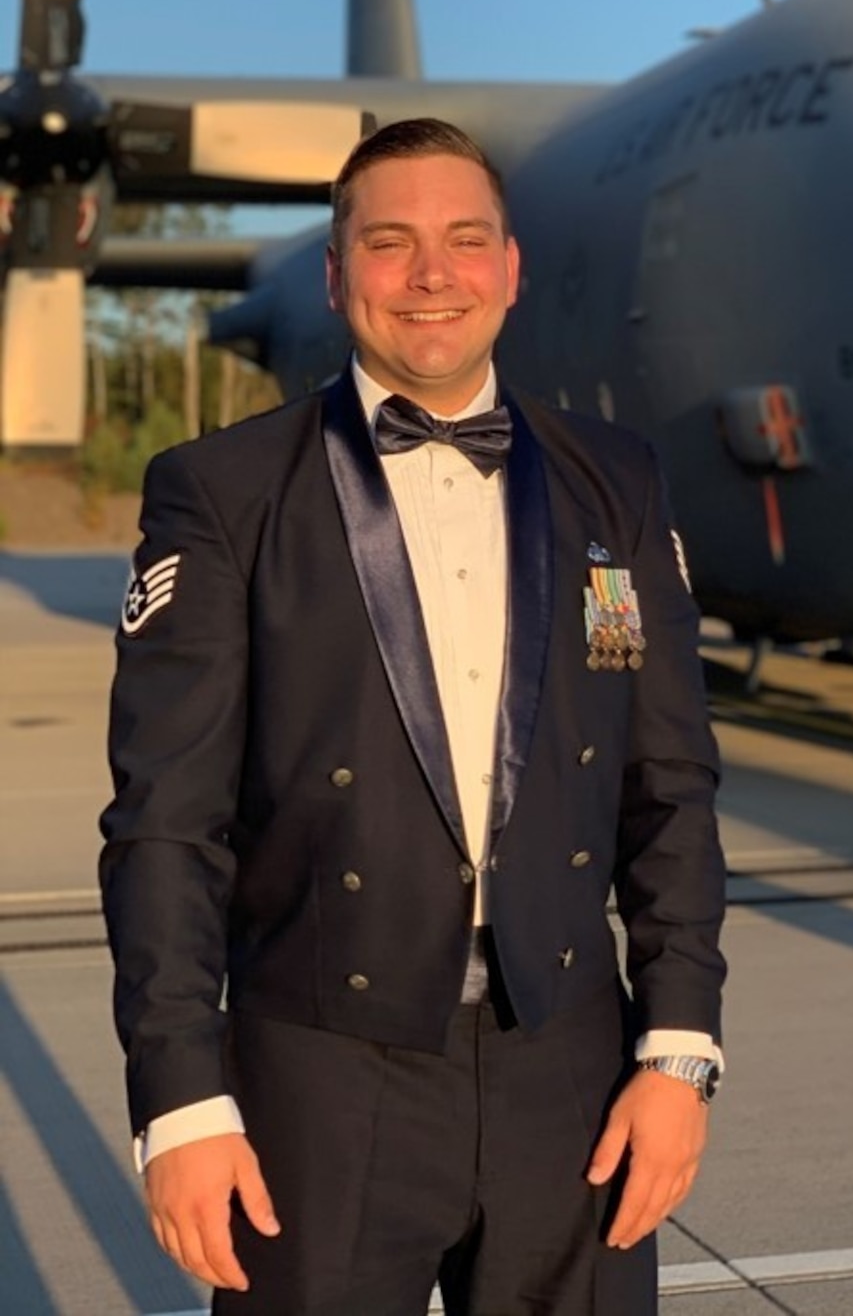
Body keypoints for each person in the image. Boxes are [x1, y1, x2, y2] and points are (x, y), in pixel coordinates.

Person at [100, 117, 727, 1315]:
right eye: (389, 243)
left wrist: (679, 1049)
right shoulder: (224, 493)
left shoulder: (619, 480)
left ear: (511, 266)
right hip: (320, 1081)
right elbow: (164, 828)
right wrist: (181, 1098)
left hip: (573, 1077)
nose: (432, 274)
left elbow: (672, 790)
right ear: (337, 277)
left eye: (464, 239)